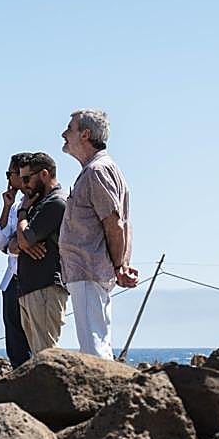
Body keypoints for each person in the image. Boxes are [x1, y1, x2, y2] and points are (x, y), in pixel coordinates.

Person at [59, 109, 138, 359]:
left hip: (88, 269)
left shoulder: (97, 171)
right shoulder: (101, 169)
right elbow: (123, 222)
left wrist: (119, 266)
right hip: (90, 270)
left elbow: (114, 223)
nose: (64, 134)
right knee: (97, 342)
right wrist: (121, 264)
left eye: (70, 129)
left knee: (93, 347)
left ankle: (104, 395)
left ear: (85, 134)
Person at [14, 152, 69, 353]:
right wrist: (24, 241)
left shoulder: (56, 202)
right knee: (38, 357)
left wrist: (22, 213)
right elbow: (12, 244)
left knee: (47, 355)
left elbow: (23, 238)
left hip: (45, 286)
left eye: (27, 178)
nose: (23, 184)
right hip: (30, 287)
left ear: (44, 174)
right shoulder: (38, 204)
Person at [0, 152, 34, 367]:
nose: (8, 179)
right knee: (15, 344)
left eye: (10, 173)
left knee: (33, 341)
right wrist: (6, 207)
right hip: (12, 280)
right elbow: (0, 243)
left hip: (31, 279)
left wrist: (13, 244)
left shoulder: (37, 202)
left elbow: (20, 243)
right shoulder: (16, 205)